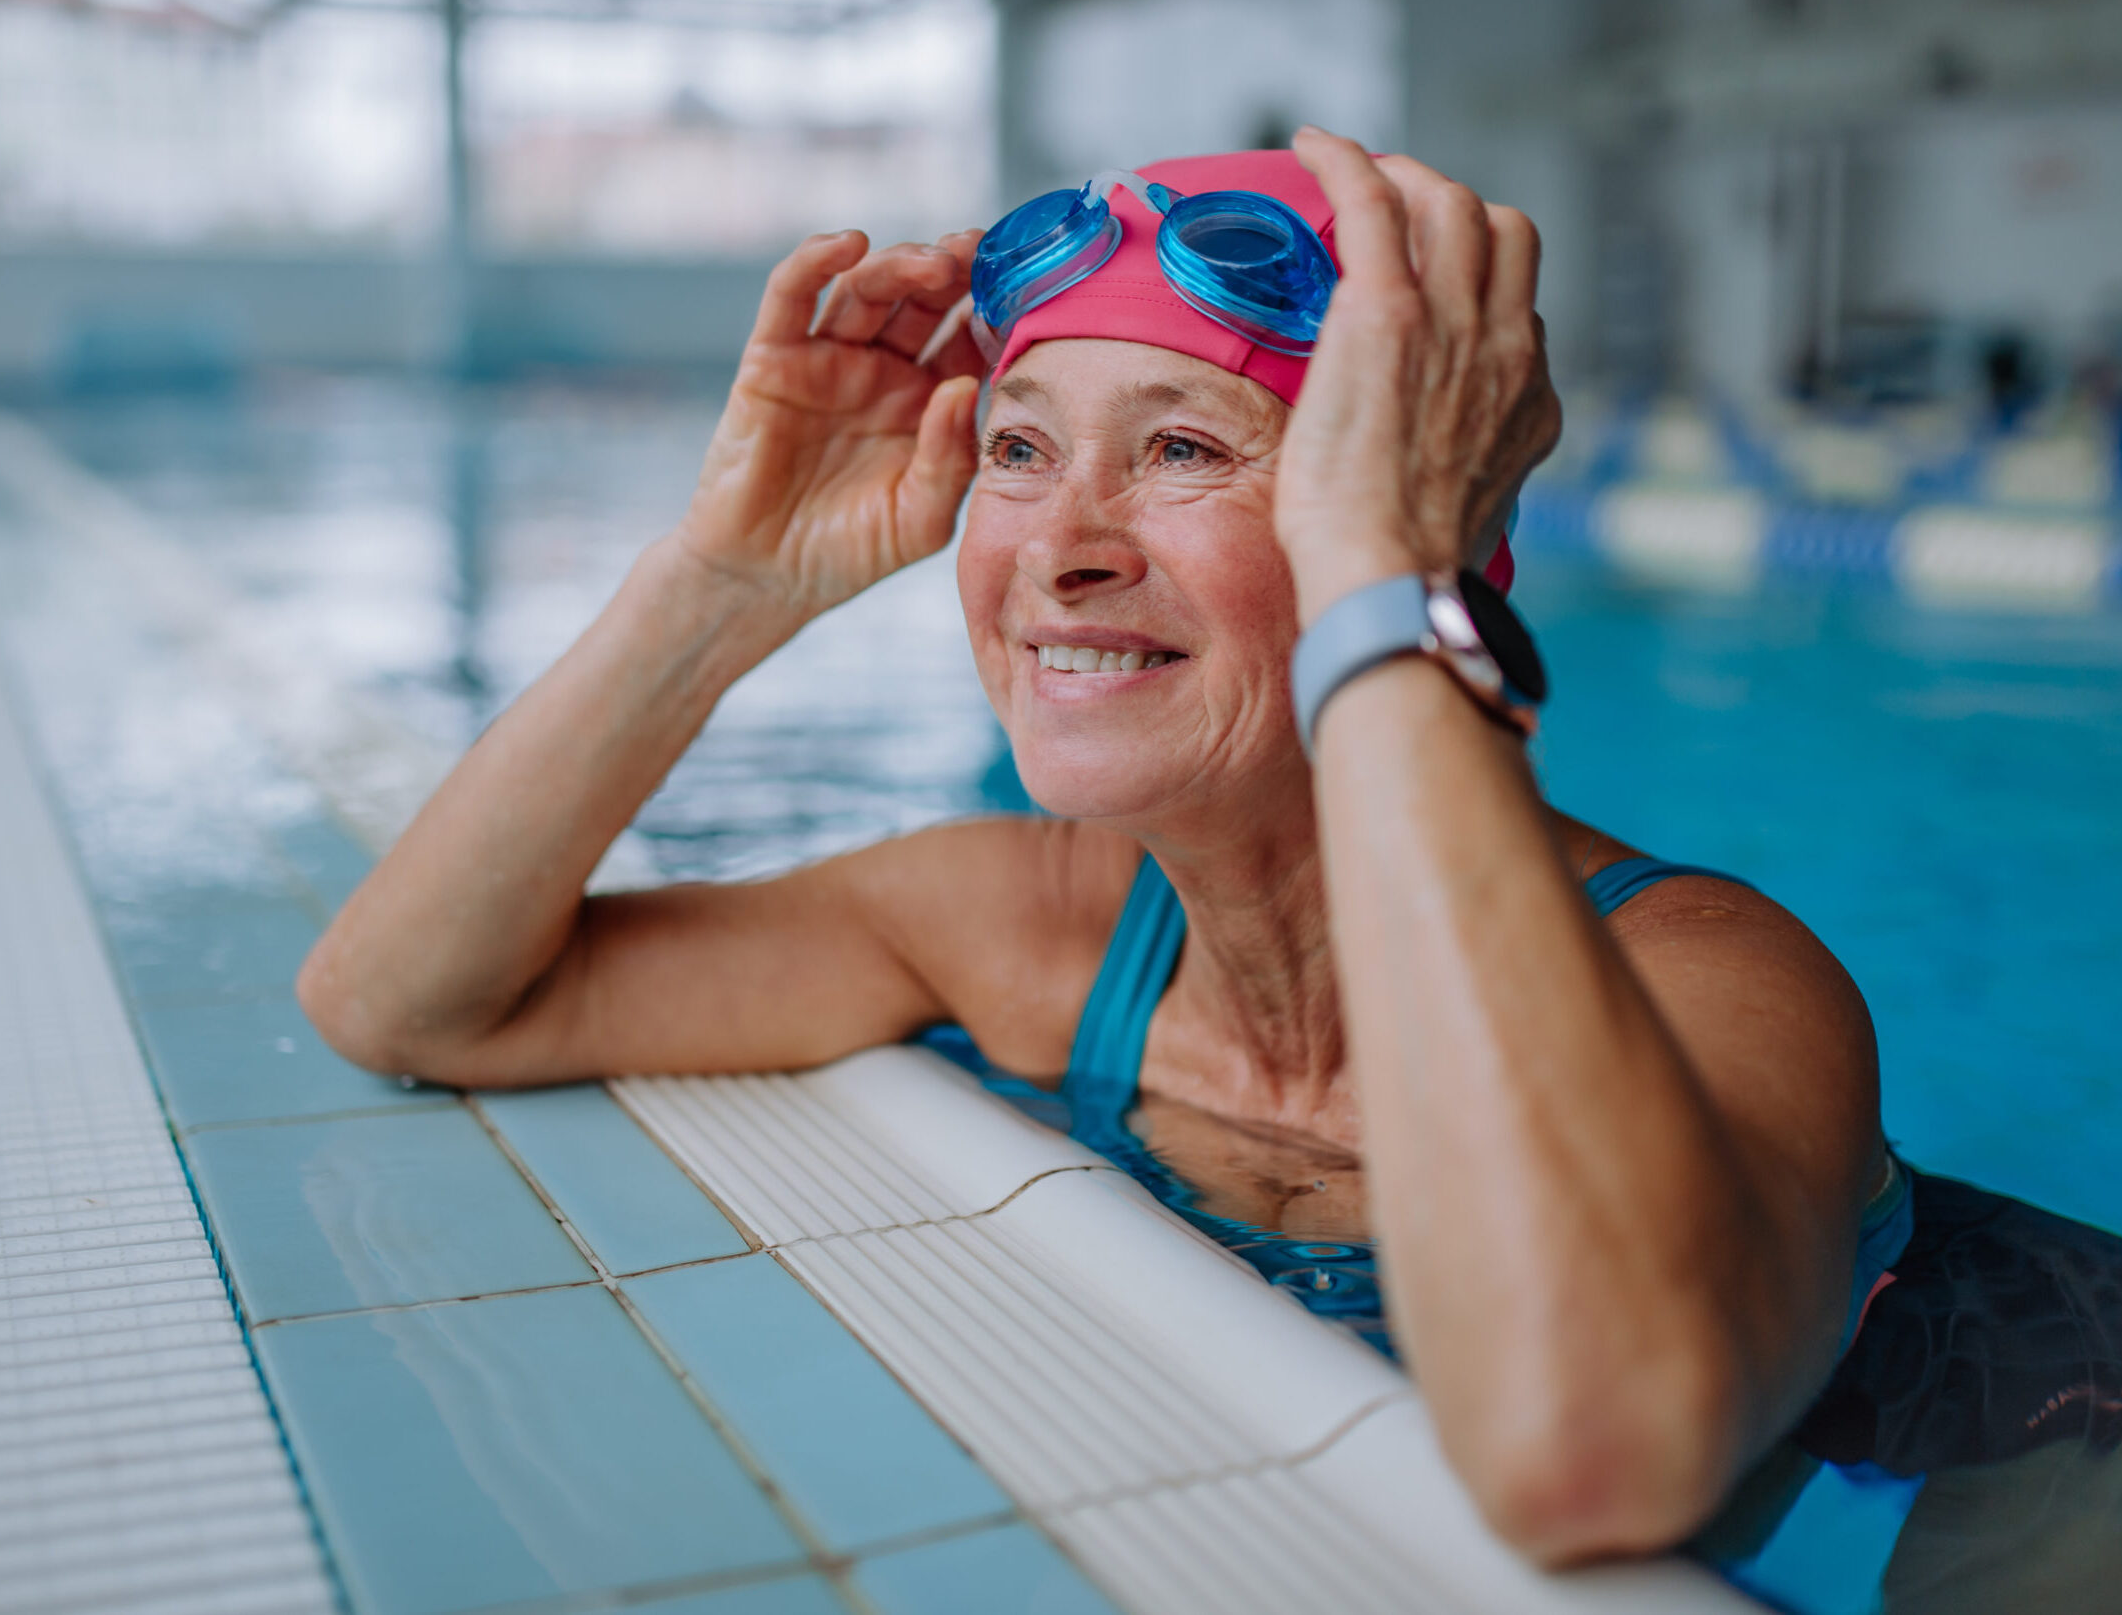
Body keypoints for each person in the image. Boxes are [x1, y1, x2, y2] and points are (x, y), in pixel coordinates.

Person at [296, 130, 1899, 1566]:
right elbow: (416, 1002)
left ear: (1418, 533)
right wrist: (730, 580)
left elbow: (1589, 1455)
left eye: (1186, 450)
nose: (1059, 552)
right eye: (1019, 449)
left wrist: (1386, 594)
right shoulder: (1020, 925)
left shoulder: (1708, 982)